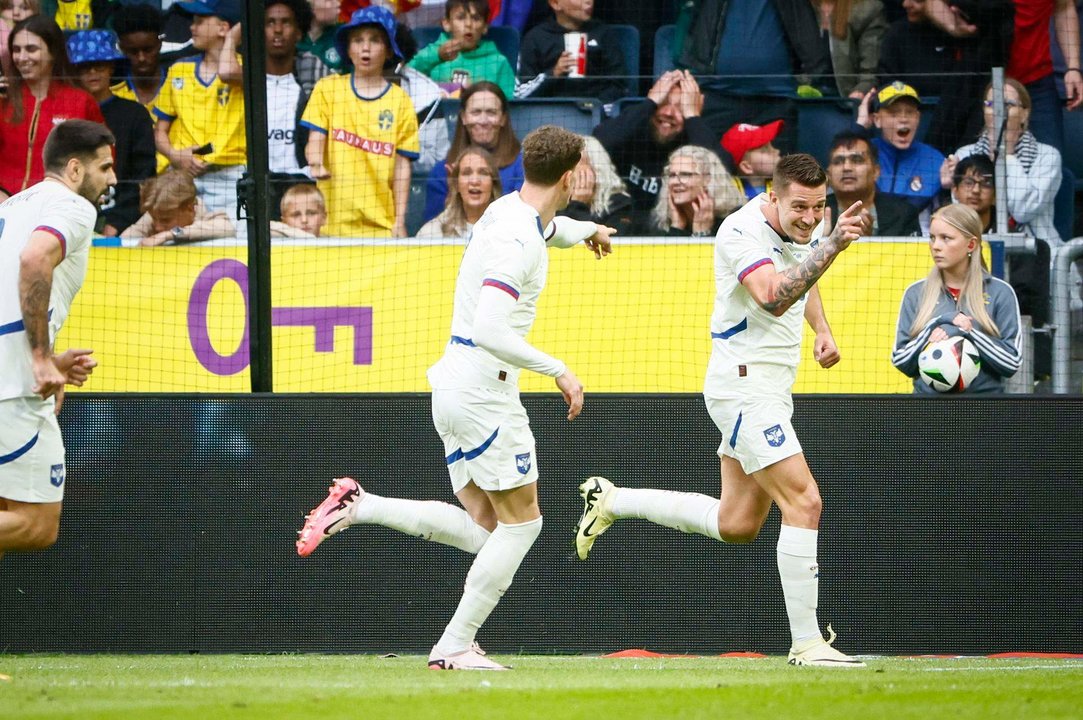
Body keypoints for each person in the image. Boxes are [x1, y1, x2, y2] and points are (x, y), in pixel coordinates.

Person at [296, 125, 616, 671]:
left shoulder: (505, 211)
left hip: (452, 386)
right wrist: (558, 369)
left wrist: (588, 228)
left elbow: (552, 227)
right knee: (525, 526)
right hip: (484, 392)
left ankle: (361, 505)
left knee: (488, 533)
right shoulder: (518, 241)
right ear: (569, 176)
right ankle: (454, 645)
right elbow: (492, 327)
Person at [574, 153, 871, 668]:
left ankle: (613, 501)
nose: (810, 217)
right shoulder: (738, 231)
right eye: (800, 206)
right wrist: (833, 243)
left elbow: (803, 269)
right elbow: (776, 294)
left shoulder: (801, 229)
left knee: (737, 524)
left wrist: (822, 330)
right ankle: (807, 644)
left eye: (820, 207)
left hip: (771, 388)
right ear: (771, 196)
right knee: (805, 503)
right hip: (743, 388)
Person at [0, 119, 115, 561]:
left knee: (6, 513)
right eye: (104, 167)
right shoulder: (73, 206)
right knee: (35, 523)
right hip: (13, 387)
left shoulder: (13, 206)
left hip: (9, 369)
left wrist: (48, 356)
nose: (112, 179)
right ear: (73, 169)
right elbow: (34, 259)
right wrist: (39, 358)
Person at [301, 5, 420, 237]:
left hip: (381, 228)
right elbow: (315, 138)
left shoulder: (401, 101)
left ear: (388, 50)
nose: (365, 47)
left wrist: (399, 221)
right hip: (331, 228)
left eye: (375, 40)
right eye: (357, 40)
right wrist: (315, 163)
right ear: (348, 48)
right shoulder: (328, 89)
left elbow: (402, 167)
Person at [891, 204, 1022, 392]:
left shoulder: (1001, 292)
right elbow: (900, 360)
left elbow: (1012, 363)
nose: (935, 246)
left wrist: (967, 333)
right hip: (926, 412)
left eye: (946, 238)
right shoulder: (915, 293)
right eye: (932, 238)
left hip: (985, 411)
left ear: (971, 244)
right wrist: (935, 326)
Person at [592, 70, 721, 229]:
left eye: (680, 107)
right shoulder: (632, 130)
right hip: (622, 227)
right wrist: (649, 103)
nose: (668, 113)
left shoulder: (696, 138)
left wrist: (693, 117)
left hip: (676, 229)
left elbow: (722, 172)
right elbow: (598, 143)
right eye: (662, 103)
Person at [154, 0, 246, 217]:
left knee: (228, 241)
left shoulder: (245, 69)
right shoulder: (179, 69)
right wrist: (174, 155)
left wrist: (232, 39)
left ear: (223, 28)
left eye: (200, 21)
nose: (191, 27)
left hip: (229, 176)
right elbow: (160, 131)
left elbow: (226, 73)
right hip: (183, 174)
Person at [946, 78, 1063, 244]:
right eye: (991, 104)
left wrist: (1007, 156)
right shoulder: (965, 154)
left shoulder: (1048, 156)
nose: (998, 111)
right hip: (978, 245)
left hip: (1036, 249)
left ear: (1024, 113)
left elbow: (1023, 212)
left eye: (1007, 104)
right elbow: (965, 213)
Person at [0, 16, 104, 200]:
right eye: (16, 50)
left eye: (31, 49)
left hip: (58, 205)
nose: (22, 57)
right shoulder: (4, 97)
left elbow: (102, 157)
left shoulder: (80, 101)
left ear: (53, 52)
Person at [68, 29, 156, 237]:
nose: (92, 72)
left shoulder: (135, 114)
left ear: (111, 66)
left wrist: (117, 222)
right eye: (84, 67)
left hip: (121, 222)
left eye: (99, 65)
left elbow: (143, 176)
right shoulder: (65, 114)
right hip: (70, 218)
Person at [422, 81, 522, 223]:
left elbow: (524, 221)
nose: (483, 120)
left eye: (491, 112)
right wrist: (454, 193)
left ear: (503, 119)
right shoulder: (442, 171)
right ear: (463, 117)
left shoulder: (523, 167)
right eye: (476, 112)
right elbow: (433, 232)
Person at [855, 80, 947, 214]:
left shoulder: (935, 160)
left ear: (918, 118)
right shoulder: (864, 152)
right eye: (894, 113)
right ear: (877, 120)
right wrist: (860, 125)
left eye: (909, 112)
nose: (903, 119)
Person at [517, 0, 628, 105]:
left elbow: (619, 83)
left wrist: (599, 107)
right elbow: (521, 94)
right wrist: (553, 74)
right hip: (550, 112)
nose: (588, 1)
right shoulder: (535, 38)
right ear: (555, 3)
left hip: (597, 111)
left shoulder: (603, 34)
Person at [773, 0, 888, 99]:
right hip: (804, 101)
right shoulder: (798, 7)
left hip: (844, 101)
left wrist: (858, 94)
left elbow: (870, 73)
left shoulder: (867, 10)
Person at [407, 0, 516, 98]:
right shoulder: (432, 54)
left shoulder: (499, 62)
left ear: (485, 26)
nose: (469, 24)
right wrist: (437, 56)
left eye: (476, 18)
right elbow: (405, 75)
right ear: (447, 24)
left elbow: (507, 107)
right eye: (461, 17)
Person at [826, 130, 921, 236]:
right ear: (829, 174)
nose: (846, 168)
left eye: (857, 160)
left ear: (876, 172)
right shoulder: (814, 213)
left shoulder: (904, 214)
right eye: (838, 161)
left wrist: (869, 241)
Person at [120, 169, 235, 246]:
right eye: (154, 219)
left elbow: (227, 228)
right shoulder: (156, 214)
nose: (158, 227)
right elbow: (123, 241)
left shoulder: (211, 218)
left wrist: (170, 234)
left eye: (166, 220)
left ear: (190, 209)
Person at [649, 145, 743, 237]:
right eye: (672, 175)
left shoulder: (735, 220)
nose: (676, 182)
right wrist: (676, 228)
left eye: (685, 174)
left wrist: (702, 233)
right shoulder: (659, 223)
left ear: (708, 179)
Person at [416, 144, 502, 238]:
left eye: (483, 173)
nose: (474, 181)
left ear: (493, 183)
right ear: (456, 184)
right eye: (466, 173)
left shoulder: (510, 228)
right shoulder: (432, 232)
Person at [558, 135, 634, 236]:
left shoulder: (621, 204)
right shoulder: (559, 201)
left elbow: (607, 244)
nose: (567, 171)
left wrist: (578, 206)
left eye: (574, 163)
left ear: (596, 168)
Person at [723, 120, 783, 200]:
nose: (777, 151)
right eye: (765, 150)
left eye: (771, 146)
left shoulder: (783, 187)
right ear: (747, 167)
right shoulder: (729, 193)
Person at [296, 0, 344, 96]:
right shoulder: (293, 39)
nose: (338, 4)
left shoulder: (344, 35)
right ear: (310, 7)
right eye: (329, 1)